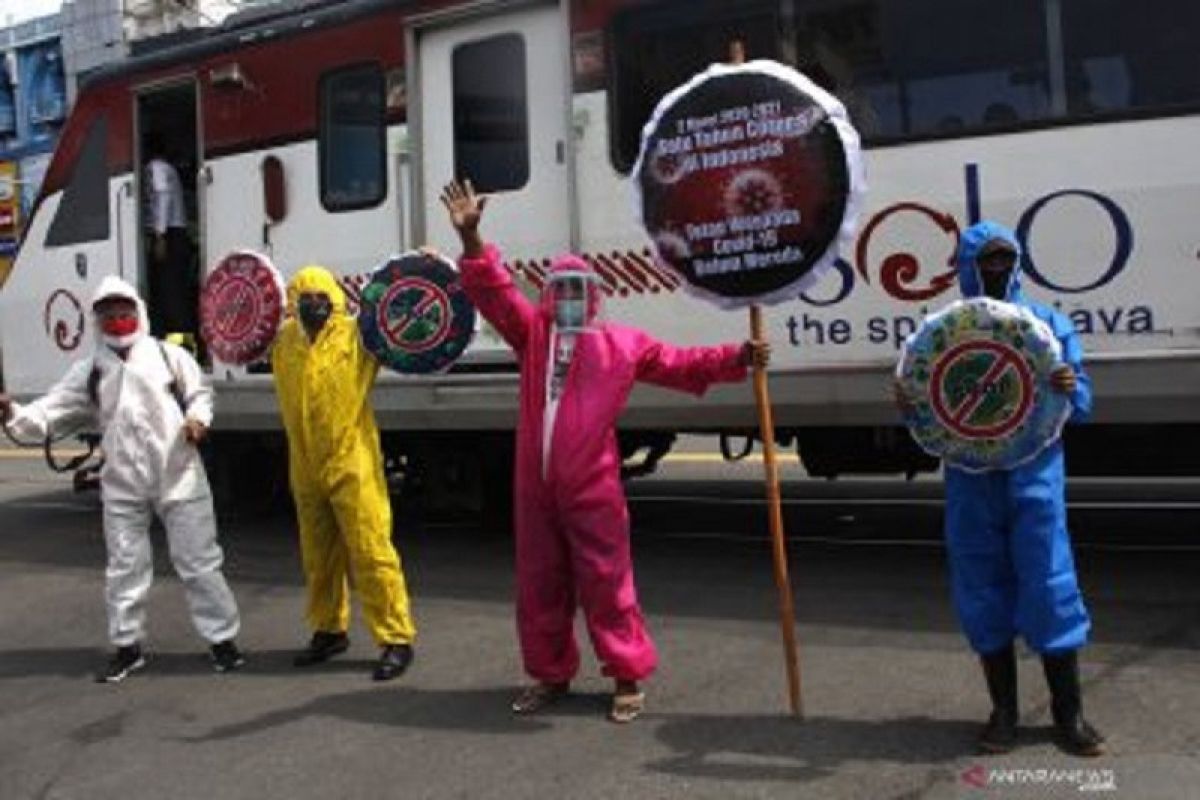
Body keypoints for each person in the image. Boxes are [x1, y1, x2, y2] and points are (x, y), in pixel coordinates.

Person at [440, 179, 770, 723]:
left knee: (606, 580)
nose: (567, 298)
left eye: (577, 289)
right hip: (535, 489)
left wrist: (739, 356)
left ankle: (625, 674)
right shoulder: (533, 336)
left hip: (593, 487)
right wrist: (473, 240)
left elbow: (682, 363)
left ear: (592, 296)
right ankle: (548, 674)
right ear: (548, 296)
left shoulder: (622, 346)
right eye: (559, 288)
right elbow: (495, 291)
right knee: (539, 581)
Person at [896, 220, 1104, 756]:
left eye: (1003, 258)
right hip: (970, 478)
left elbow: (1080, 401)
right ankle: (1004, 714)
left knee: (1050, 582)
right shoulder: (944, 328)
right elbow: (926, 400)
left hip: (1035, 475)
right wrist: (909, 401)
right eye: (985, 259)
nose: (996, 268)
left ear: (1016, 261)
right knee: (982, 587)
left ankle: (1069, 713)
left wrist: (1069, 385)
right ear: (969, 265)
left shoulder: (1048, 322)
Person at [0, 276, 243, 682]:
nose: (117, 319)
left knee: (199, 563)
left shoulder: (168, 356)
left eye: (124, 311)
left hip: (178, 474)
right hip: (122, 483)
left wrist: (198, 420)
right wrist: (13, 416)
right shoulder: (90, 370)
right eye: (108, 313)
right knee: (124, 568)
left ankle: (223, 641)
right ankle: (127, 647)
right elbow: (48, 413)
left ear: (138, 311)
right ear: (98, 319)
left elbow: (201, 392)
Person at [271, 265, 417, 681]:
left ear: (335, 300)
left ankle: (395, 638)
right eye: (305, 298)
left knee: (371, 548)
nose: (313, 305)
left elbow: (404, 324)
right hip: (305, 463)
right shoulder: (285, 341)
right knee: (318, 555)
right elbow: (240, 335)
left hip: (352, 460)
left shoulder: (359, 336)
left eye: (321, 298)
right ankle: (329, 629)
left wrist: (430, 270)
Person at [142, 134, 194, 337]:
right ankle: (183, 339)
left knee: (169, 292)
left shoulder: (156, 168)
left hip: (169, 235)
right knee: (174, 290)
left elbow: (162, 197)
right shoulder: (169, 169)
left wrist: (159, 235)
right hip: (176, 234)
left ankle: (181, 340)